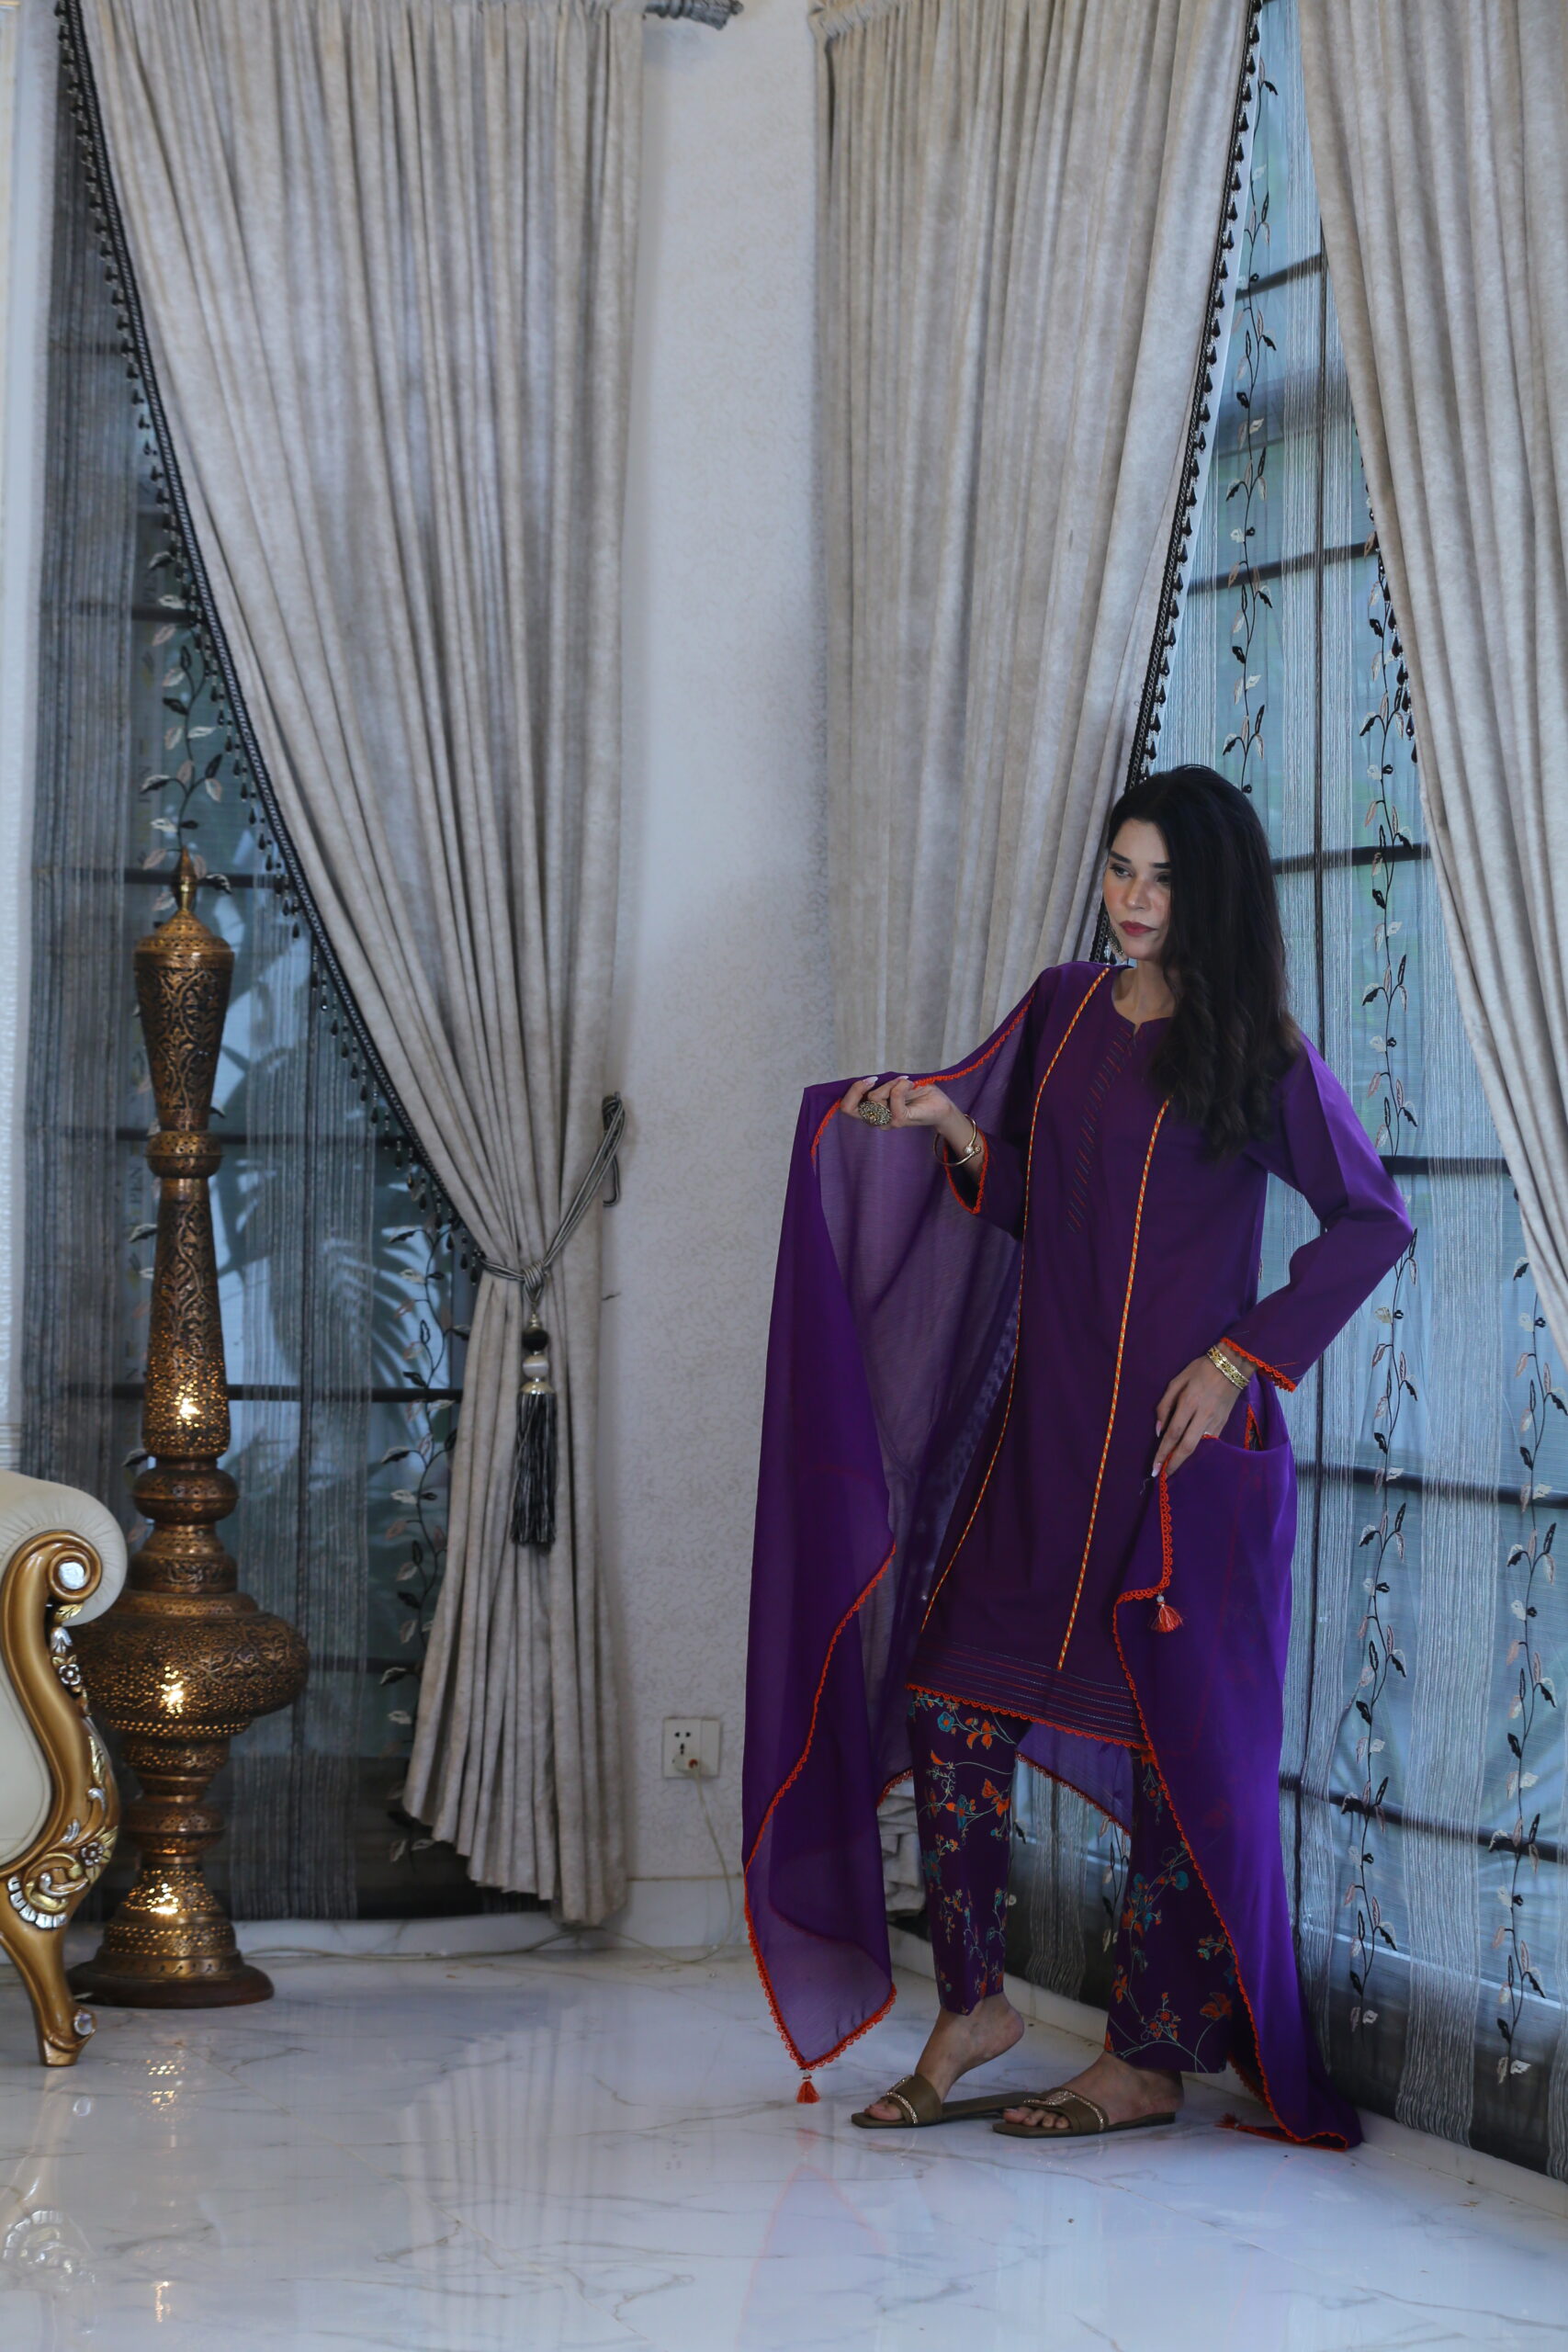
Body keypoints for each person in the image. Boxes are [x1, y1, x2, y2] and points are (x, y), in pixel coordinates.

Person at [741, 764, 1414, 2148]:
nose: (1134, 900)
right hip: (1047, 1448)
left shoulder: (1257, 1050)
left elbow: (1373, 1220)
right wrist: (953, 1131)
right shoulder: (1063, 1010)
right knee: (952, 1703)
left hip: (1181, 1463)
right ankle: (974, 2008)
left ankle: (1148, 2061)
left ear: (1213, 892)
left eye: (1162, 877)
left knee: (1175, 1756)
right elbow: (1052, 1206)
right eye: (1120, 869)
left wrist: (1239, 1361)